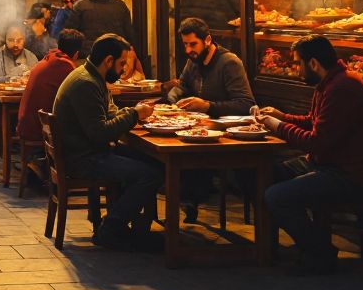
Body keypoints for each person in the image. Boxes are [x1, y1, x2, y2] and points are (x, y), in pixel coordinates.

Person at [257, 35, 363, 274]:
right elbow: (314, 122)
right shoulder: (329, 83)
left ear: (314, 64)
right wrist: (282, 116)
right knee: (265, 172)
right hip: (331, 164)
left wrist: (278, 126)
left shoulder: (343, 88)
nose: (296, 69)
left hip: (353, 176)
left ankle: (320, 252)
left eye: (298, 63)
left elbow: (317, 143)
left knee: (277, 196)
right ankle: (268, 248)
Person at [51, 34, 162, 251]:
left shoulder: (92, 76)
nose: (122, 70)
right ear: (109, 61)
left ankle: (128, 223)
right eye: (121, 64)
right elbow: (100, 133)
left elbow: (109, 113)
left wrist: (133, 113)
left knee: (154, 162)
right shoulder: (86, 84)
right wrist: (134, 115)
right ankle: (111, 230)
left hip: (86, 150)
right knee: (151, 174)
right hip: (83, 158)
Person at [164, 18, 256, 219]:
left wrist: (208, 106)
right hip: (199, 128)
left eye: (193, 44)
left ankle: (189, 201)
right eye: (185, 45)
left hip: (226, 133)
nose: (188, 50)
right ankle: (185, 201)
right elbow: (182, 86)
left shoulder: (229, 63)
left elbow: (245, 104)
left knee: (186, 155)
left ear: (207, 40)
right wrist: (173, 100)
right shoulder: (193, 61)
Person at [17, 29, 85, 142]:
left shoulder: (50, 58)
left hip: (26, 126)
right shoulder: (65, 66)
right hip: (37, 130)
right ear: (77, 53)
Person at [65, 0, 134, 50]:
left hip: (89, 55)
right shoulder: (120, 5)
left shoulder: (80, 6)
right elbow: (129, 35)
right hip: (116, 54)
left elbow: (69, 36)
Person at [0, 25, 39, 89]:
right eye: (11, 40)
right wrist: (4, 79)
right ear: (5, 40)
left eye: (19, 40)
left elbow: (39, 83)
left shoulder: (31, 57)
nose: (15, 44)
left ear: (24, 40)